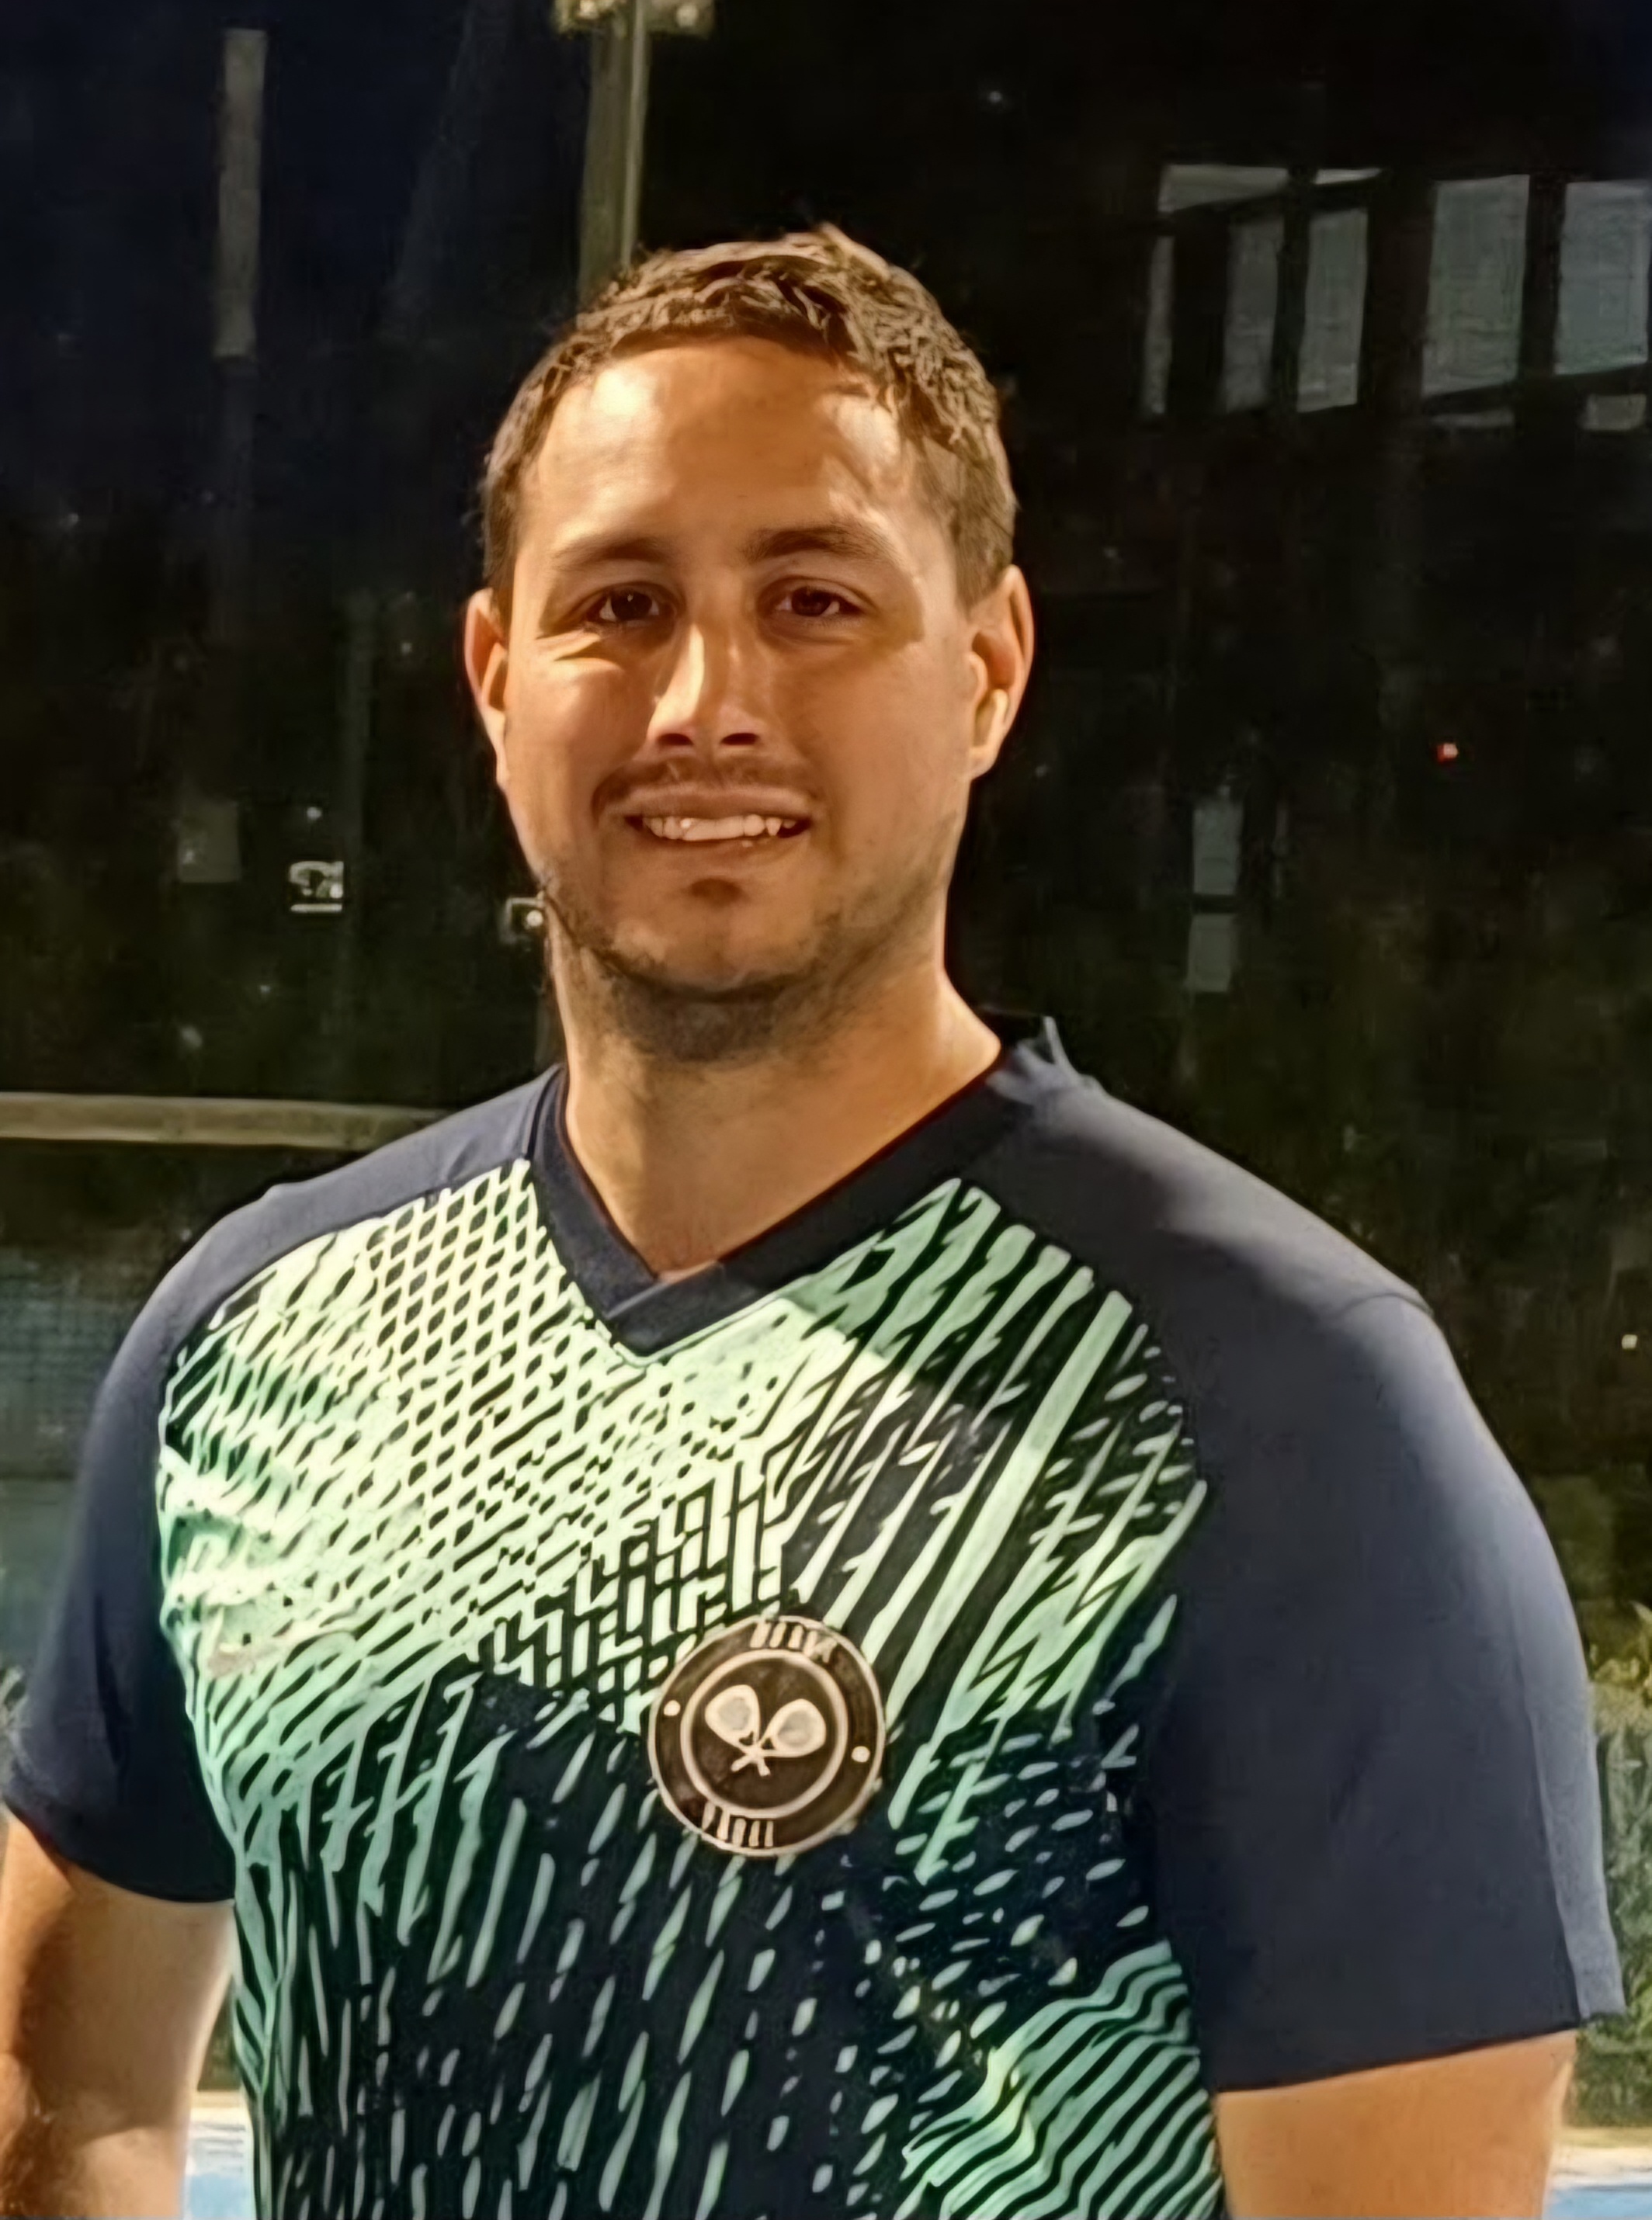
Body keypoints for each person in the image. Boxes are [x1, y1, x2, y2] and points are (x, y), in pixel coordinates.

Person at [0, 225, 1621, 2220]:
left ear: (987, 670)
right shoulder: (253, 1337)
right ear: (496, 677)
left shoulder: (1277, 1408)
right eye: (620, 604)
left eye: (813, 599)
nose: (707, 698)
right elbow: (70, 2089)